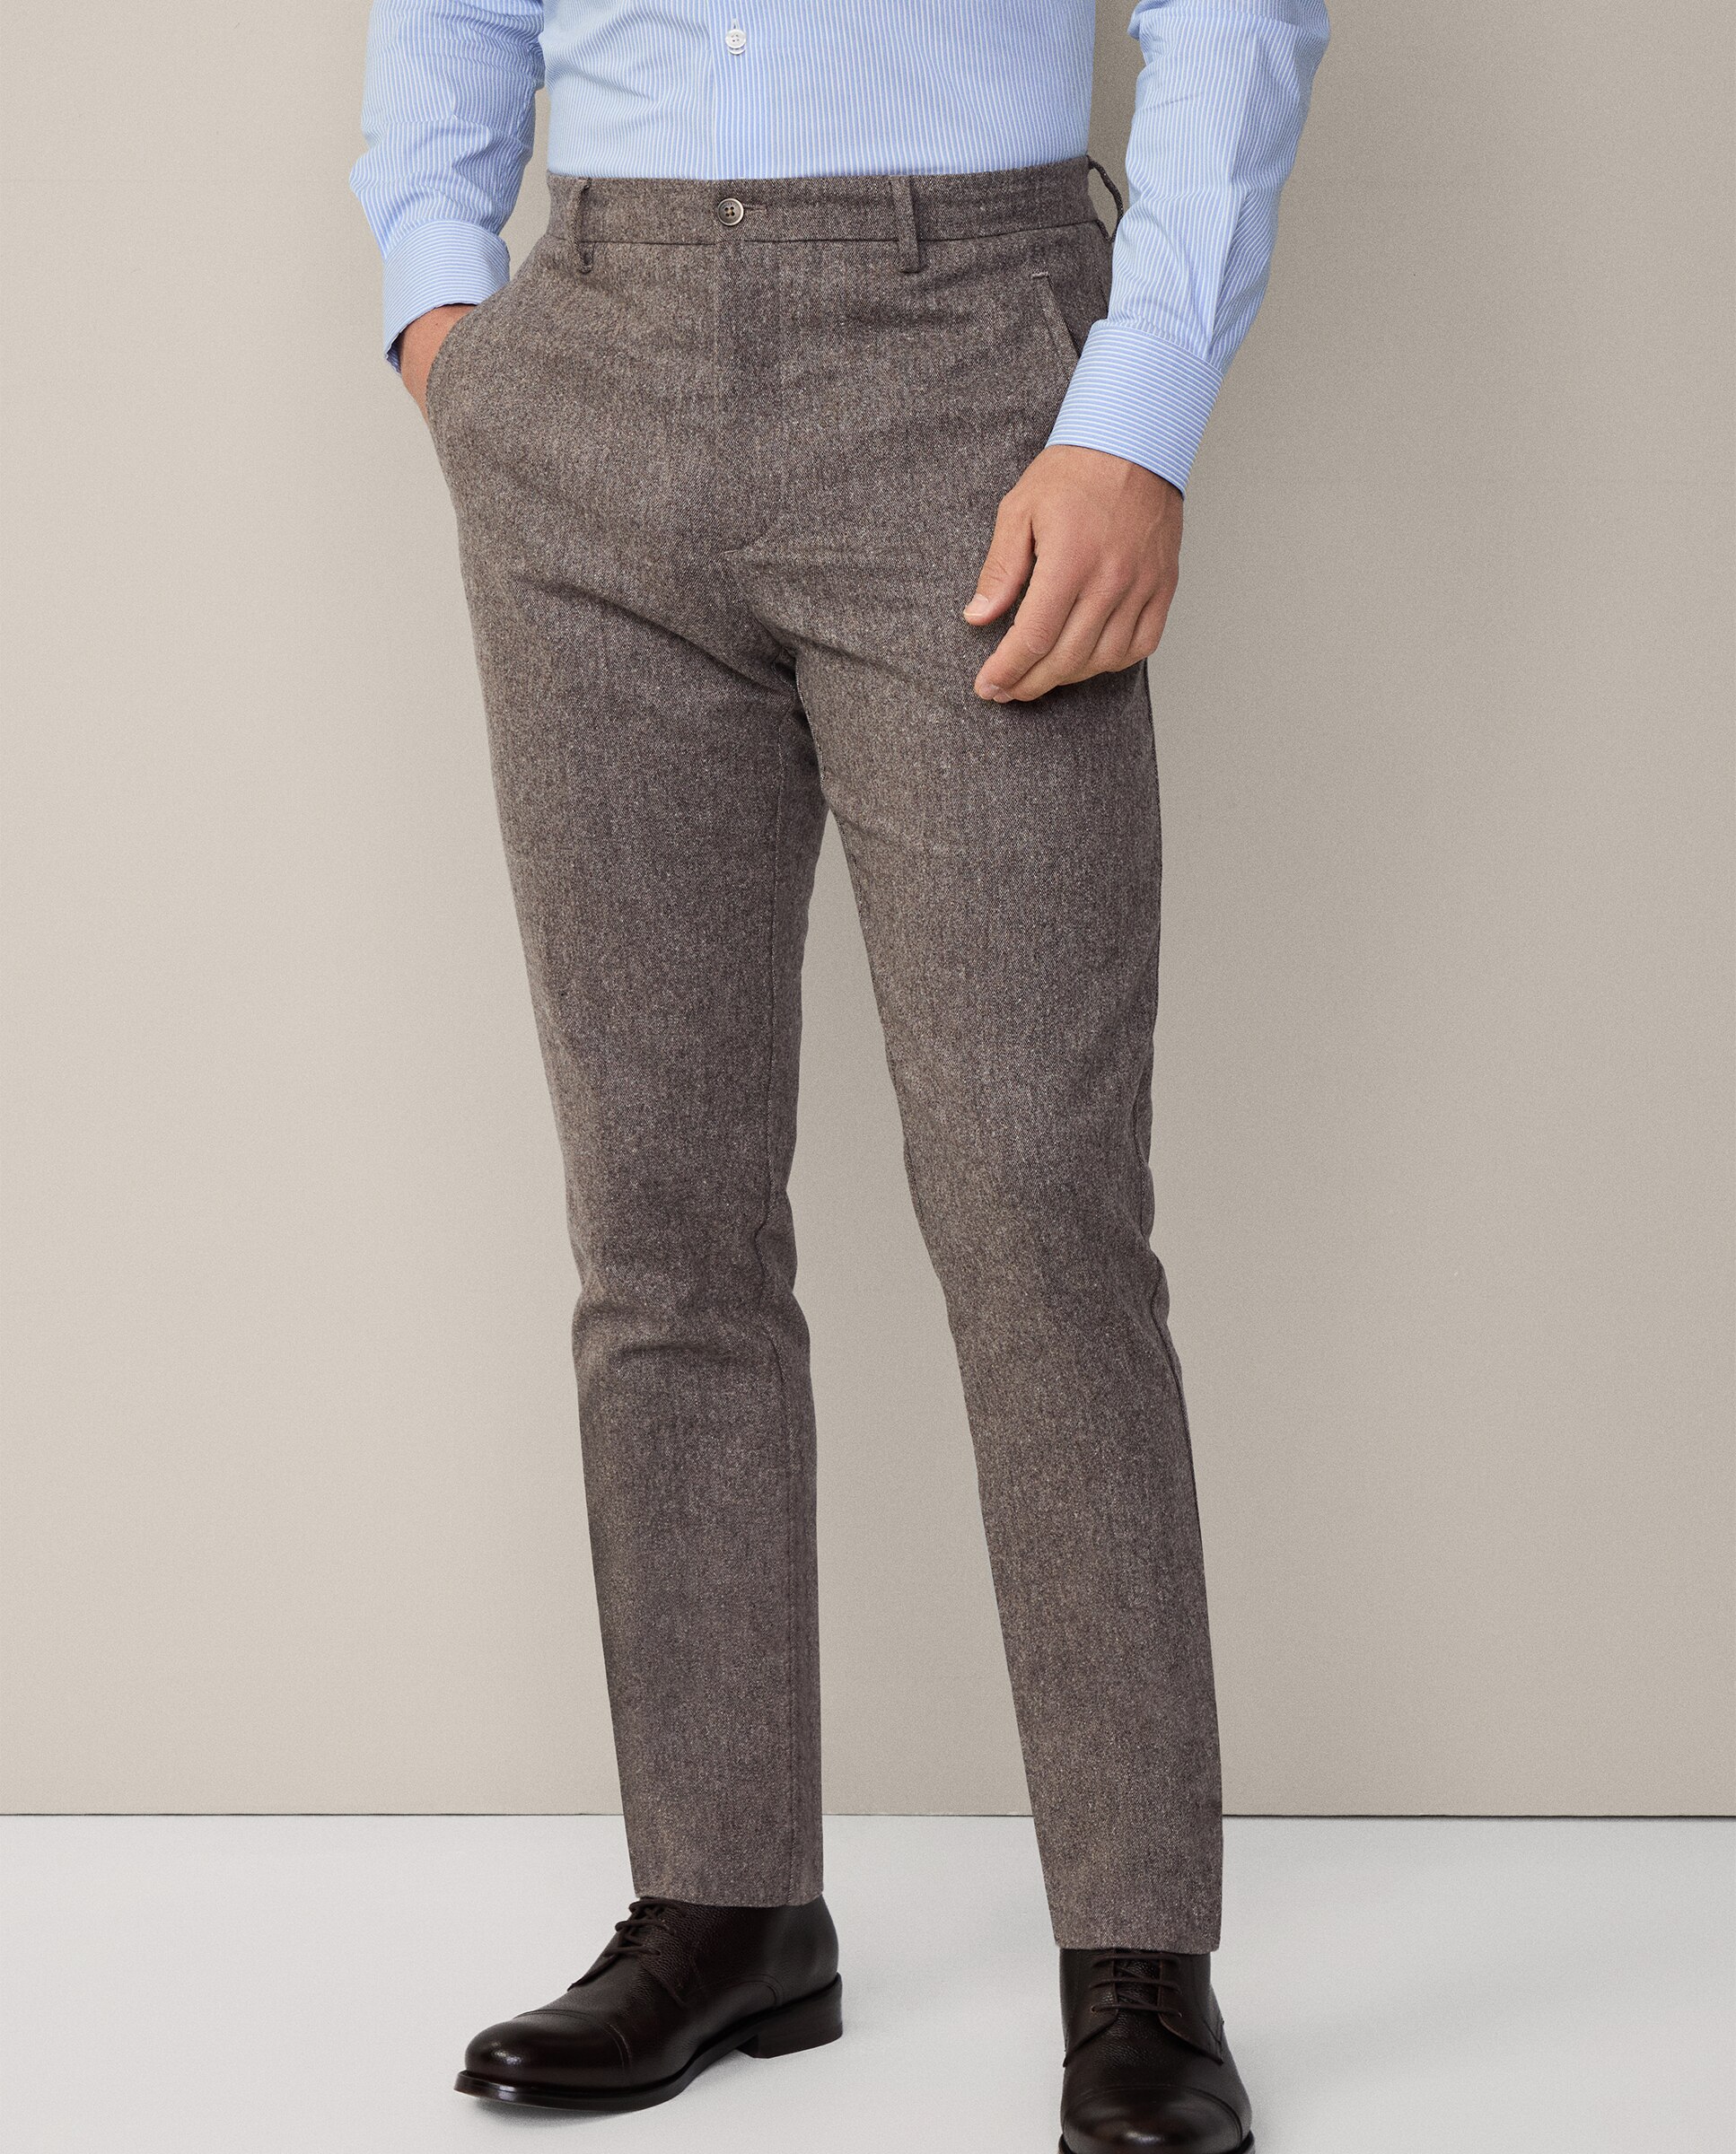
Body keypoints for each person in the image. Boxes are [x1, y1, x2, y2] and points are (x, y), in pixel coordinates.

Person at [350, 4, 1327, 2146]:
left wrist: (1139, 414)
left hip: (965, 361)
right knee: (659, 1212)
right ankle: (723, 1905)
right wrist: (447, 320)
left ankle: (1138, 1959)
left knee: (1033, 1203)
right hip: (587, 373)